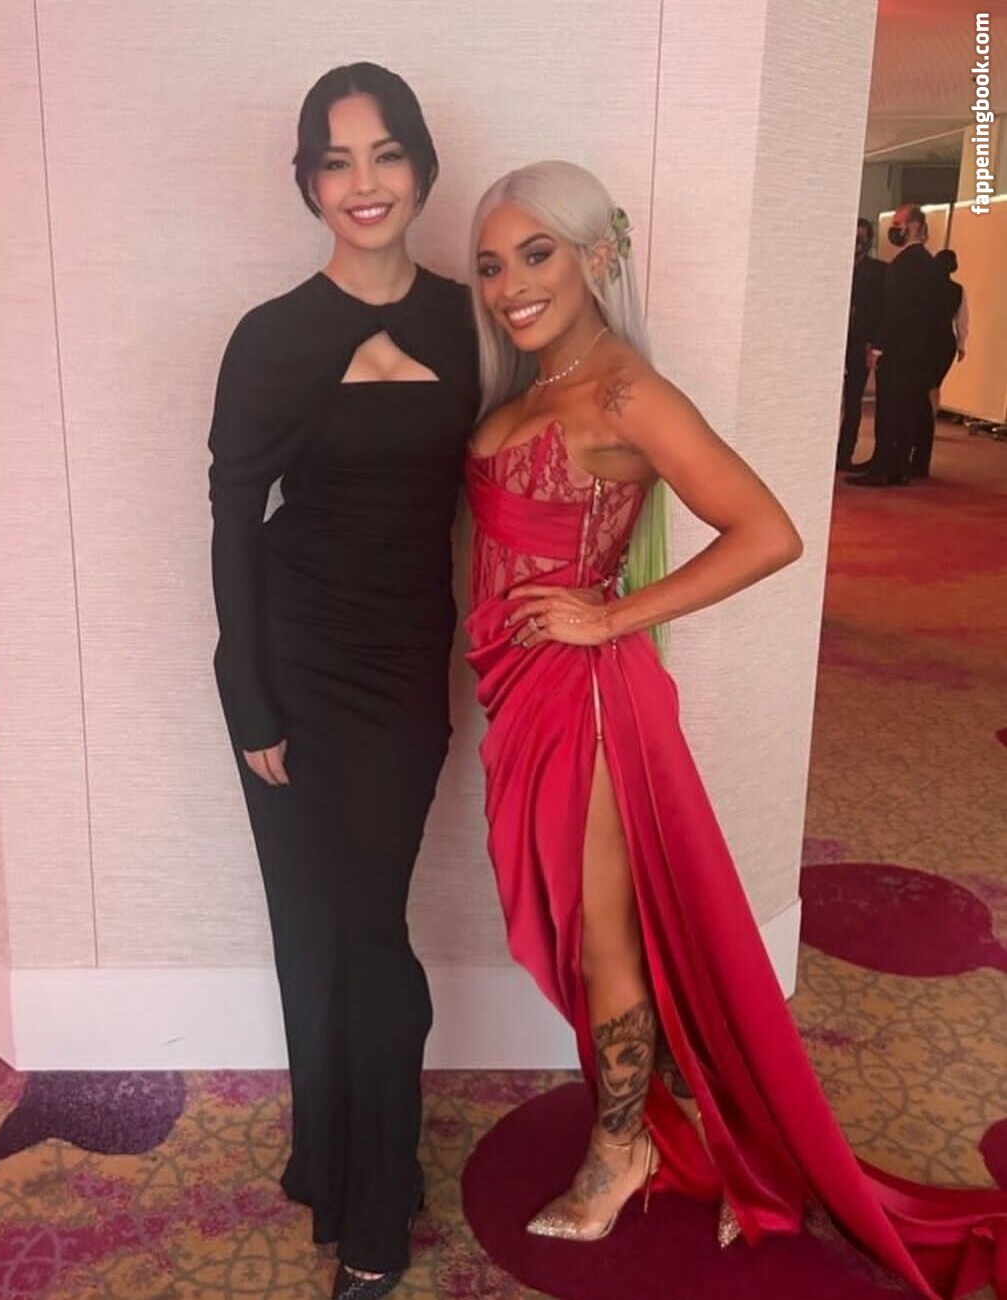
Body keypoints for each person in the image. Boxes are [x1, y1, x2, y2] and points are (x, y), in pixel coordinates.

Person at [463, 161, 1007, 1298]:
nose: (510, 284)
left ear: (595, 256)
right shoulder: (530, 380)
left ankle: (620, 1151)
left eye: (535, 253)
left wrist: (608, 614)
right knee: (581, 924)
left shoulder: (625, 392)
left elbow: (767, 531)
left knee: (603, 937)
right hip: (516, 692)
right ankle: (656, 1122)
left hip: (585, 700)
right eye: (491, 264)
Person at [208, 63, 477, 1300]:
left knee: (369, 928)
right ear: (308, 181)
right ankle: (332, 1158)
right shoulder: (271, 335)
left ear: (419, 165)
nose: (362, 183)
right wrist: (249, 699)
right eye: (335, 160)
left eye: (383, 154)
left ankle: (376, 1199)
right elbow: (232, 519)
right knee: (309, 927)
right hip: (287, 662)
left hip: (401, 665)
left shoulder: (465, 321)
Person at [847, 204, 940, 488]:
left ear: (913, 226)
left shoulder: (903, 265)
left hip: (897, 351)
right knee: (905, 410)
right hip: (917, 351)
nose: (894, 229)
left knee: (889, 411)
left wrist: (878, 348)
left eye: (898, 224)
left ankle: (882, 467)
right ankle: (897, 465)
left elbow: (893, 311)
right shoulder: (928, 264)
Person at [836, 218, 885, 472]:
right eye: (854, 237)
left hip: (860, 343)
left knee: (853, 400)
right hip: (834, 342)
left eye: (863, 238)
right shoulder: (835, 267)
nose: (858, 243)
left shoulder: (879, 271)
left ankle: (844, 453)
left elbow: (881, 311)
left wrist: (875, 346)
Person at [923, 249, 969, 474]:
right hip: (945, 342)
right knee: (935, 385)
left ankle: (920, 425)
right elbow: (962, 320)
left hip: (926, 340)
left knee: (921, 385)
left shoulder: (926, 288)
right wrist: (961, 344)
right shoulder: (958, 290)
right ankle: (929, 424)